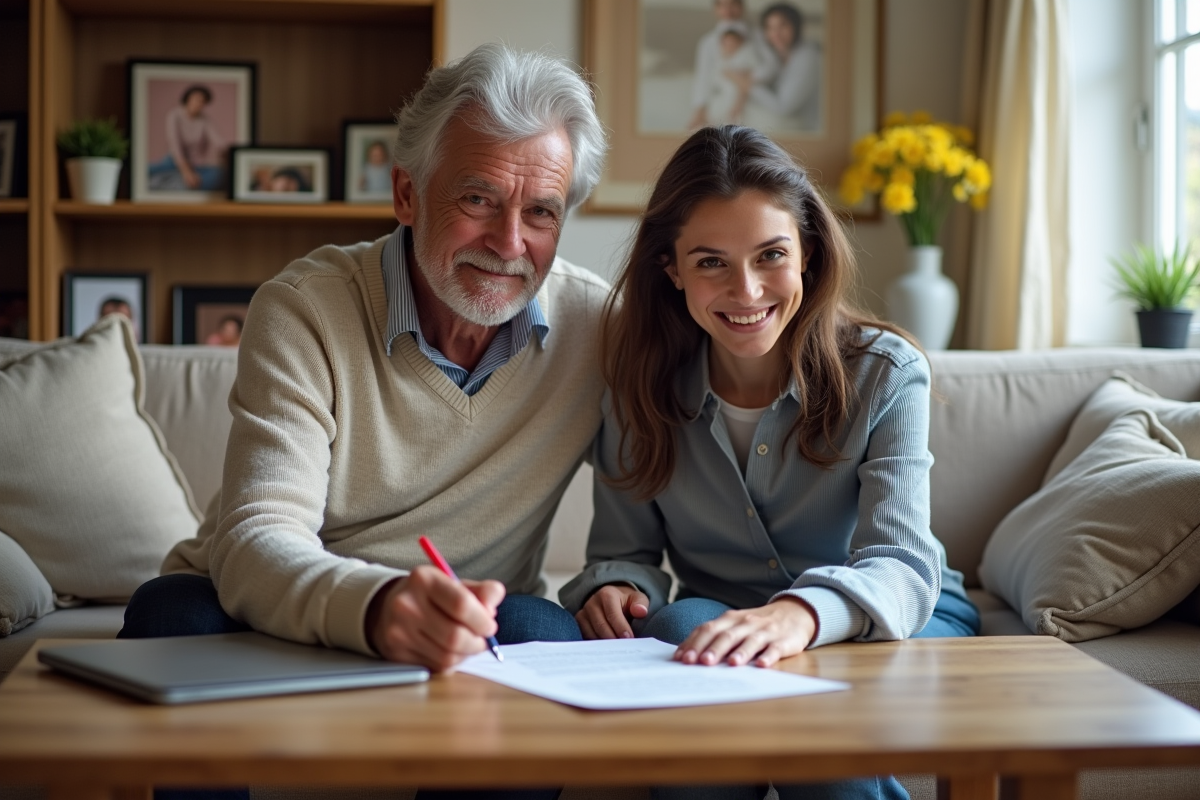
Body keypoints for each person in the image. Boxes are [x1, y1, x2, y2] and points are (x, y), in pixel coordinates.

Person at [120, 43, 608, 799]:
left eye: (540, 212)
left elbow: (704, 426)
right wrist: (377, 607)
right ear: (407, 195)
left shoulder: (599, 327)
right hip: (283, 611)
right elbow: (256, 541)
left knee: (545, 632)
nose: (511, 244)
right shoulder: (306, 308)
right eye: (478, 200)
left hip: (467, 623)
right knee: (171, 614)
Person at [560, 126, 979, 800]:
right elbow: (625, 551)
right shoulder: (638, 385)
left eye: (771, 255)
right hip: (721, 625)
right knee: (678, 632)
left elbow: (901, 567)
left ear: (808, 254)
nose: (747, 290)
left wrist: (801, 616)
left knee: (800, 712)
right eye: (711, 262)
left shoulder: (887, 374)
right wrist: (617, 589)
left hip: (892, 616)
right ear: (671, 268)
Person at [736, 3, 822, 133]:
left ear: (796, 27)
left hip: (808, 133)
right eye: (769, 27)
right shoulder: (780, 57)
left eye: (783, 25)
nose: (775, 33)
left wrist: (747, 85)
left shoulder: (807, 57)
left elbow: (783, 107)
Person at [147, 85, 228, 192]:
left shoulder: (204, 120)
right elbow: (175, 145)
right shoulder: (174, 115)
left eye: (202, 101)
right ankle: (181, 181)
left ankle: (178, 183)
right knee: (146, 171)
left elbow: (218, 141)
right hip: (175, 161)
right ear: (188, 99)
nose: (199, 103)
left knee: (219, 175)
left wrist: (230, 153)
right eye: (196, 99)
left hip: (196, 164)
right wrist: (186, 172)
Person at [687, 0, 749, 130]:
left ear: (742, 6)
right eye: (722, 5)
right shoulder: (708, 42)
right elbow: (703, 77)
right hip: (720, 103)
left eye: (733, 4)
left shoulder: (756, 38)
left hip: (750, 103)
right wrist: (699, 110)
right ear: (716, 9)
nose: (728, 10)